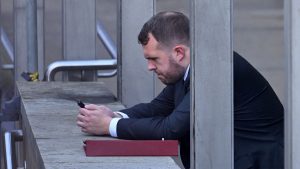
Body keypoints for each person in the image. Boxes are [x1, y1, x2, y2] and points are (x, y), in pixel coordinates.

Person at [77, 11, 283, 169]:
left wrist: (109, 125)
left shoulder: (213, 69)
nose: (149, 67)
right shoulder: (190, 66)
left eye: (153, 59)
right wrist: (114, 115)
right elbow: (158, 107)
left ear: (179, 52)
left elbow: (170, 129)